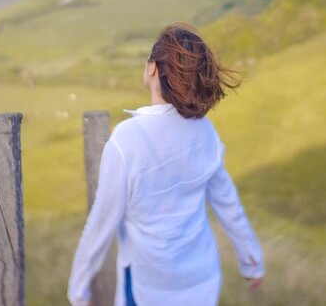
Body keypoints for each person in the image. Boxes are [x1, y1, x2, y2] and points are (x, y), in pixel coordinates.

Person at [67, 22, 265, 306]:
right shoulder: (205, 131)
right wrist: (252, 262)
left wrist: (78, 290)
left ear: (152, 69)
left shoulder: (127, 140)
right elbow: (227, 203)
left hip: (150, 285)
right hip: (202, 280)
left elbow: (102, 223)